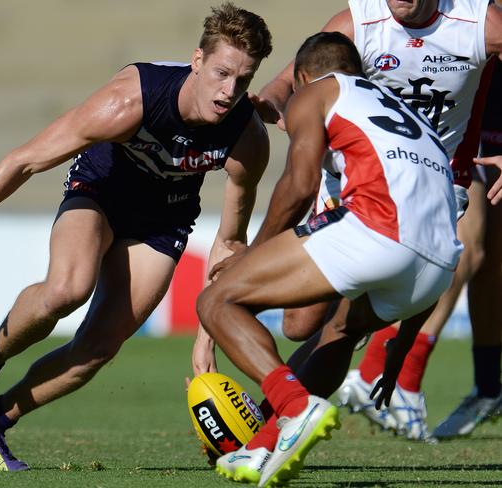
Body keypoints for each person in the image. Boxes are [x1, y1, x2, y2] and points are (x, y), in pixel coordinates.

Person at [0, 2, 272, 471]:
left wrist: (206, 342)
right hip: (100, 192)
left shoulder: (247, 138)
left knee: (99, 348)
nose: (229, 91)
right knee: (67, 289)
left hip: (165, 221)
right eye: (221, 73)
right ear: (196, 61)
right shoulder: (131, 99)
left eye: (243, 80)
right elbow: (25, 160)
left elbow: (230, 242)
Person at [197, 31, 462, 486]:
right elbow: (439, 233)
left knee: (217, 301)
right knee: (339, 331)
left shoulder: (317, 92)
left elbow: (298, 186)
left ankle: (295, 406)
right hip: (436, 273)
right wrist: (400, 344)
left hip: (380, 232)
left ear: (302, 77)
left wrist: (250, 255)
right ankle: (263, 445)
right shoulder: (411, 116)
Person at [247, 0, 502, 441]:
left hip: (433, 189)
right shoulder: (357, 23)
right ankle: (293, 404)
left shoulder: (482, 23)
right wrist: (265, 104)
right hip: (351, 180)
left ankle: (272, 424)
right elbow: (287, 82)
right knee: (299, 325)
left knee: (346, 325)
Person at [433, 58, 502, 438]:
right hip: (469, 127)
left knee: (487, 258)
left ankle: (489, 388)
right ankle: (401, 371)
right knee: (473, 251)